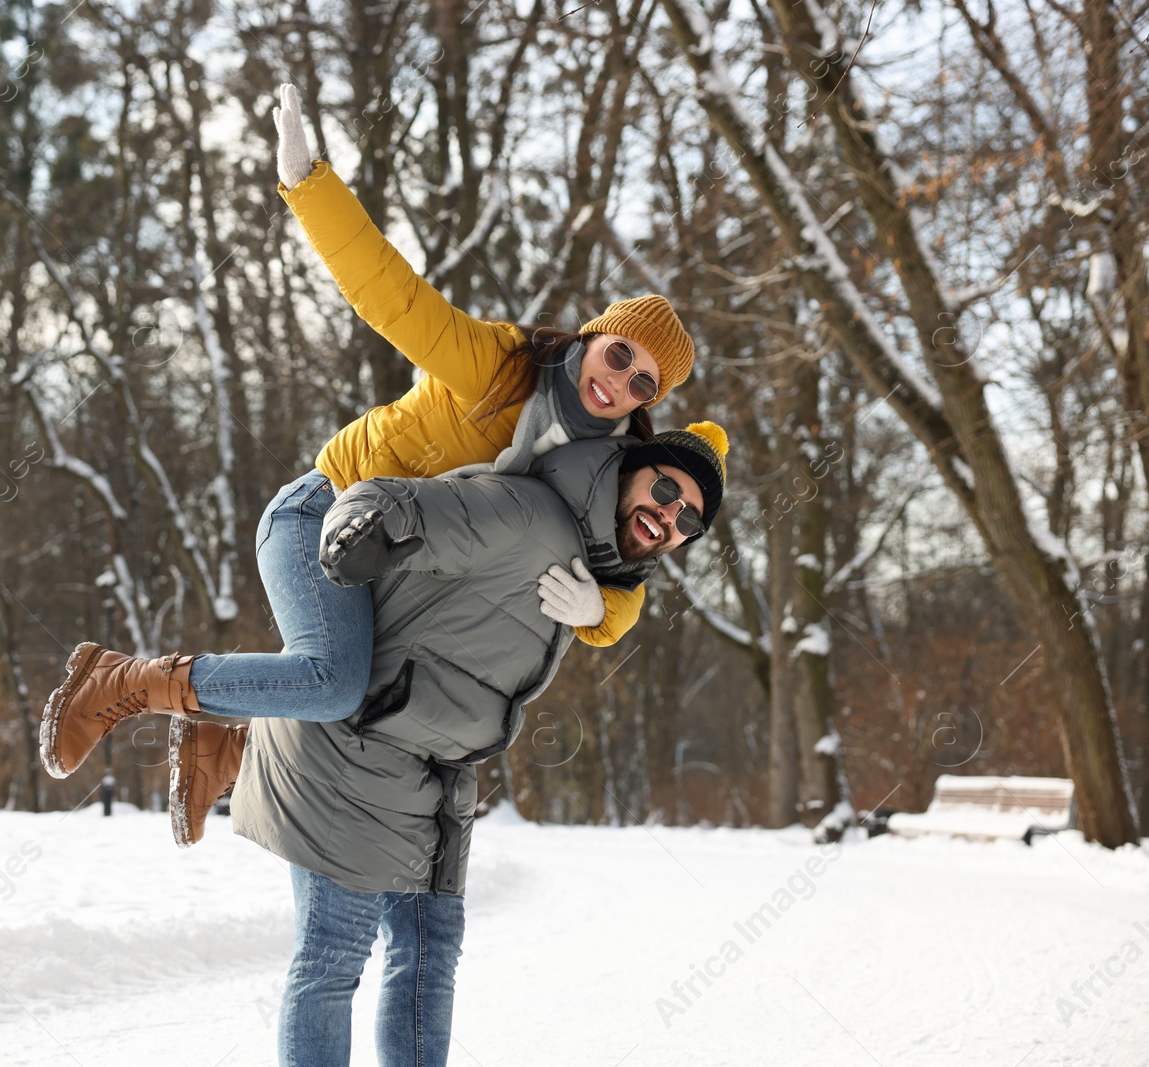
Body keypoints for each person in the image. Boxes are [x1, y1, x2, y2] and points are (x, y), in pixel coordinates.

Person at [37, 84, 699, 845]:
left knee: (384, 697)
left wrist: (601, 616)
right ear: (593, 336)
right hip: (322, 511)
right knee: (335, 677)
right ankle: (126, 680)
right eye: (620, 354)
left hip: (395, 570)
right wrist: (307, 184)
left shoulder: (601, 464)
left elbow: (629, 560)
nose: (619, 380)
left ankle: (225, 733)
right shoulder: (497, 366)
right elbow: (392, 296)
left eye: (643, 382)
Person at [229, 421, 730, 1067]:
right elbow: (387, 501)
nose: (669, 515)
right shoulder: (529, 512)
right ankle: (176, 693)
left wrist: (599, 610)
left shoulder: (594, 565)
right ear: (630, 468)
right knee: (333, 952)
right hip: (351, 750)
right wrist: (353, 538)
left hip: (434, 774)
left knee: (429, 957)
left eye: (688, 517)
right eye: (665, 488)